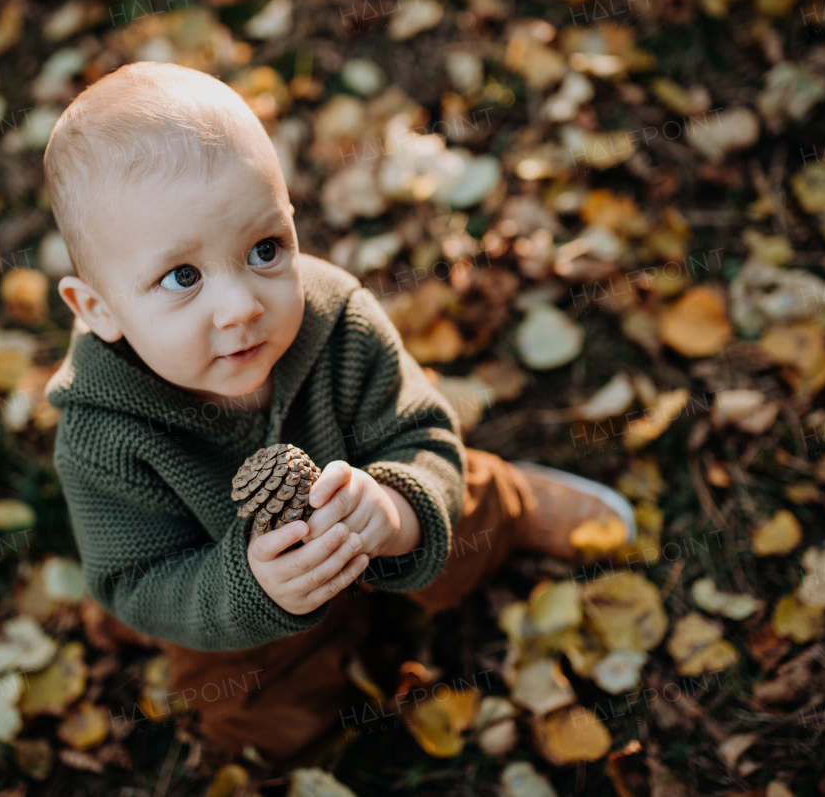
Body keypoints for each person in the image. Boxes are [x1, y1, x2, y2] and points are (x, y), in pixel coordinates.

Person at [43, 61, 635, 760]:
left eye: (265, 249)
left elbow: (418, 433)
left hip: (375, 501)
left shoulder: (337, 319)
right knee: (256, 728)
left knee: (457, 501)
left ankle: (513, 505)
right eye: (182, 276)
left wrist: (393, 508)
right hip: (246, 606)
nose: (241, 306)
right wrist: (251, 585)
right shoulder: (103, 433)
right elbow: (138, 582)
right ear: (99, 308)